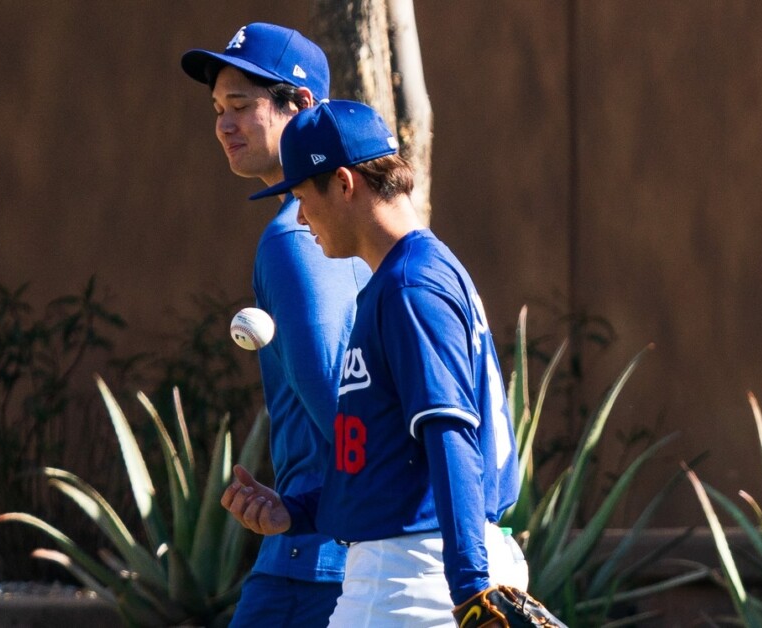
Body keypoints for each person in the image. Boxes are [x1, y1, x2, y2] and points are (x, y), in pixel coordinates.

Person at [238, 100, 566, 627]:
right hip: (419, 569)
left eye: (302, 195)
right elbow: (391, 459)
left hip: (411, 582)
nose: (300, 216)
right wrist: (294, 512)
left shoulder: (410, 286)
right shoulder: (411, 275)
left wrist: (471, 589)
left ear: (344, 183)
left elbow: (449, 433)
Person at [180, 24, 370, 628]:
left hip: (309, 572)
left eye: (241, 106)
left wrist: (310, 514)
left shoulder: (293, 238)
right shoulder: (356, 229)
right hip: (343, 556)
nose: (223, 125)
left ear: (303, 105)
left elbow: (338, 410)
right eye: (217, 109)